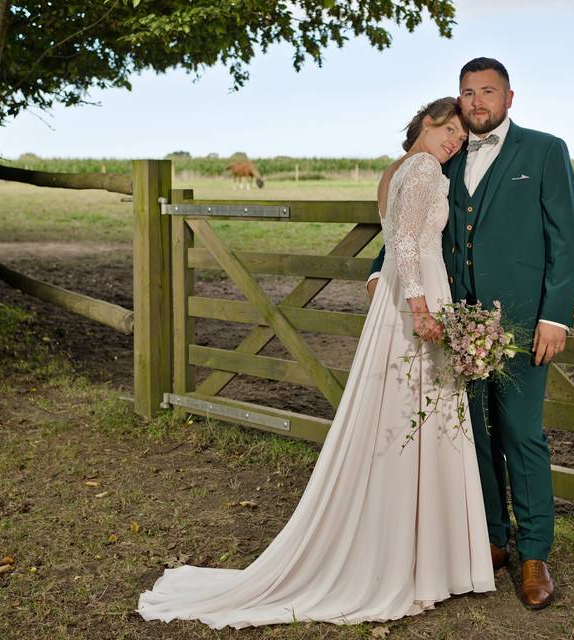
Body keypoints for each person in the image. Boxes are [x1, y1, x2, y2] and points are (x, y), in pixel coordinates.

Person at [137, 97, 495, 630]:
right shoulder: (422, 169)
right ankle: (416, 560)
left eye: (461, 139)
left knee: (404, 415)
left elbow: (400, 241)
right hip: (416, 300)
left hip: (405, 296)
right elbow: (404, 242)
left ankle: (415, 553)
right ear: (426, 122)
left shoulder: (400, 170)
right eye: (448, 129)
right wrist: (420, 307)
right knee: (416, 415)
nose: (454, 142)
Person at [368, 57, 574, 609]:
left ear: (510, 97)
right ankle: (490, 538)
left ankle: (535, 553)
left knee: (522, 434)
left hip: (518, 326)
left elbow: (567, 237)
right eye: (468, 92)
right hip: (452, 325)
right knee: (473, 434)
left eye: (489, 91)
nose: (478, 100)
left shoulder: (544, 151)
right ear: (457, 100)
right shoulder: (445, 153)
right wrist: (379, 268)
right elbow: (407, 221)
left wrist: (555, 315)